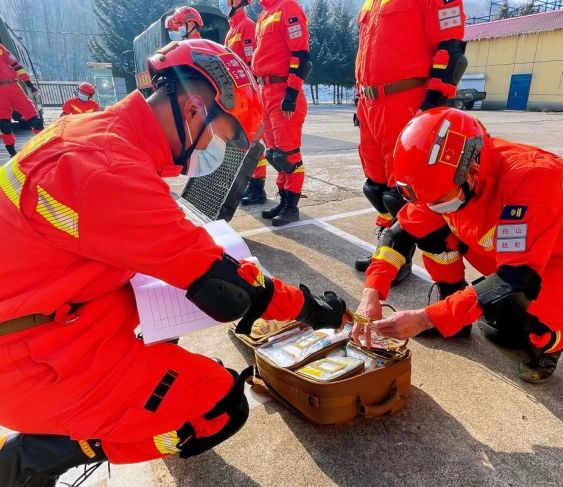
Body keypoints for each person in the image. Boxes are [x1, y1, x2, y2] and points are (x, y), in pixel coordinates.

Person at [0, 40, 346, 486]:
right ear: (194, 109)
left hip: (52, 318)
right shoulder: (108, 172)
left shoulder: (92, 135)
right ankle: (41, 454)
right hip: (32, 360)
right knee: (220, 407)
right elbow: (230, 290)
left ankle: (92, 416)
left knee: (166, 329)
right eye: (220, 135)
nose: (217, 150)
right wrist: (309, 308)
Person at [354, 108, 563, 383]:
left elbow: (514, 280)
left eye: (438, 200)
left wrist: (425, 318)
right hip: (510, 254)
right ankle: (452, 305)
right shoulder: (445, 180)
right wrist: (371, 292)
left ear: (472, 170)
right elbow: (399, 235)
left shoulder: (533, 178)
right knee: (429, 228)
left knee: (505, 316)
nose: (432, 206)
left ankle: (546, 345)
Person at [353, 0, 467, 283]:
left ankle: (401, 258)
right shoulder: (373, 3)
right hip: (370, 103)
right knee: (376, 187)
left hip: (406, 100)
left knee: (401, 193)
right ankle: (385, 249)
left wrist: (433, 102)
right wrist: (359, 98)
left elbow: (451, 51)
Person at [253, 0, 311, 225]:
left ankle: (291, 207)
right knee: (275, 153)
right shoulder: (264, 15)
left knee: (289, 154)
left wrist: (291, 93)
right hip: (265, 91)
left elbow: (300, 54)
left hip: (282, 91)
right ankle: (284, 199)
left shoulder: (288, 7)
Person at [219, 0, 269, 206]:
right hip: (236, 95)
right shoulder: (232, 31)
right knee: (243, 142)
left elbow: (250, 64)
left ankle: (259, 188)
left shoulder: (247, 27)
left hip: (248, 94)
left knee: (254, 142)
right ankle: (251, 183)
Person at [0, 43, 43, 157]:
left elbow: (16, 65)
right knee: (4, 126)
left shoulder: (1, 48)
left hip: (14, 87)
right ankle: (12, 153)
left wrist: (29, 83)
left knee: (36, 120)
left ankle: (42, 146)